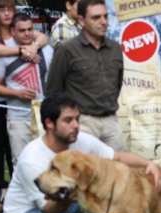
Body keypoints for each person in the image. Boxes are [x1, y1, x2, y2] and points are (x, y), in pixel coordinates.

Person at [3, 93, 161, 213]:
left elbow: (116, 157)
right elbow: (49, 210)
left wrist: (148, 164)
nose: (76, 125)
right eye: (68, 120)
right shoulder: (32, 159)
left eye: (77, 119)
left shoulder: (81, 141)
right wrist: (72, 197)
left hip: (66, 203)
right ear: (49, 123)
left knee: (113, 198)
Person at [0, 0, 49, 203]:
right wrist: (23, 50)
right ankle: (2, 184)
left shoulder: (21, 31)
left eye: (10, 8)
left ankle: (16, 183)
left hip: (19, 100)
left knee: (14, 143)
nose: (7, 13)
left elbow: (43, 38)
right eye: (2, 9)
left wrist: (34, 45)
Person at [47, 0, 124, 151]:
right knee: (82, 172)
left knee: (116, 171)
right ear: (81, 20)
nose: (103, 22)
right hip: (82, 122)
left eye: (105, 16)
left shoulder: (115, 49)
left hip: (111, 121)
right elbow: (53, 90)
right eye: (96, 18)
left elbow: (117, 84)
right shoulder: (67, 50)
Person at [0, 13, 54, 166]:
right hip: (18, 117)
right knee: (21, 163)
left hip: (45, 116)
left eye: (30, 29)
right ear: (12, 32)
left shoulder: (47, 51)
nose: (27, 33)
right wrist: (17, 93)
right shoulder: (4, 55)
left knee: (48, 163)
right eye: (22, 30)